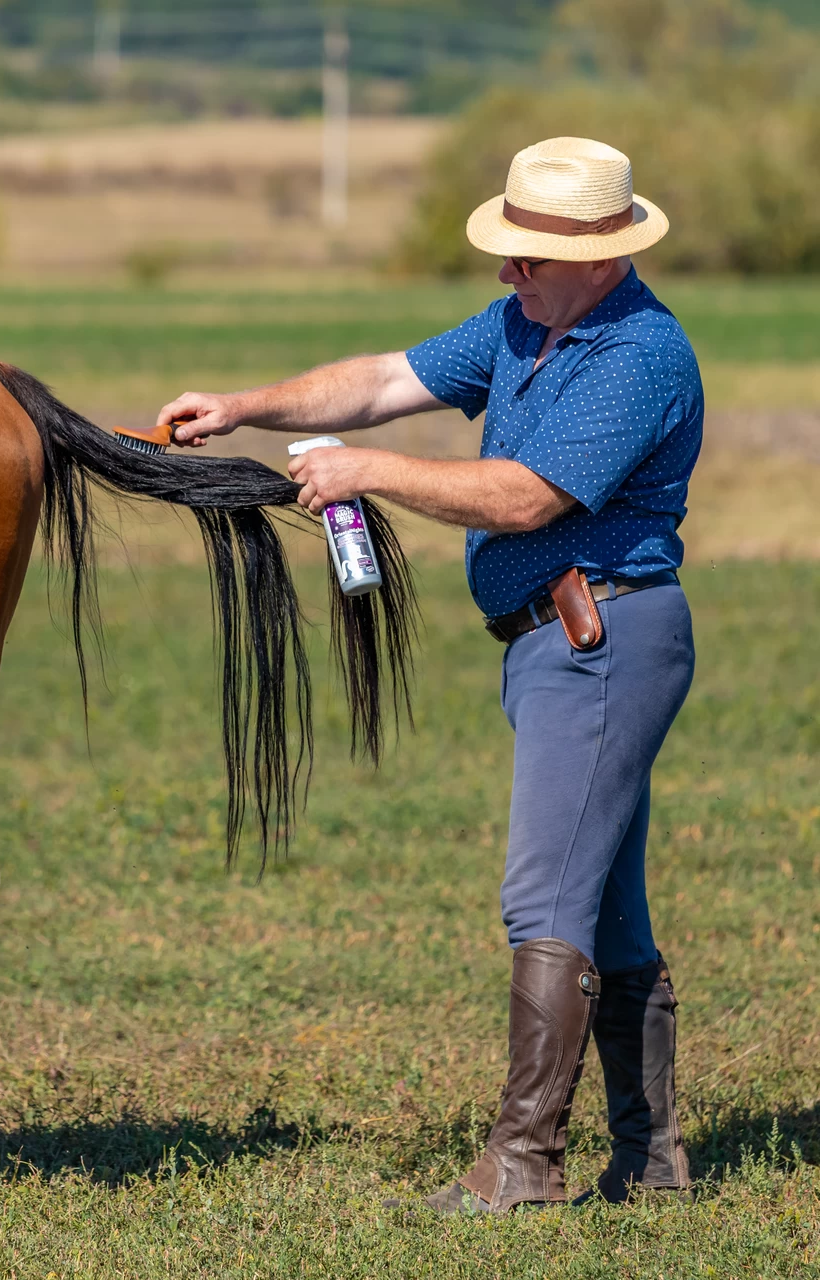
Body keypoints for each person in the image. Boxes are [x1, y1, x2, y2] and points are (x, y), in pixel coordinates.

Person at [156, 137, 701, 1213]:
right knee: (605, 905)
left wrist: (369, 476)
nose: (507, 270)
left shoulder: (640, 354)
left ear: (600, 257)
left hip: (601, 641)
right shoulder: (521, 324)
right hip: (557, 643)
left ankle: (521, 1165)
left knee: (541, 897)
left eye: (528, 256)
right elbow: (381, 379)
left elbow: (521, 498)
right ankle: (651, 1159)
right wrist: (244, 404)